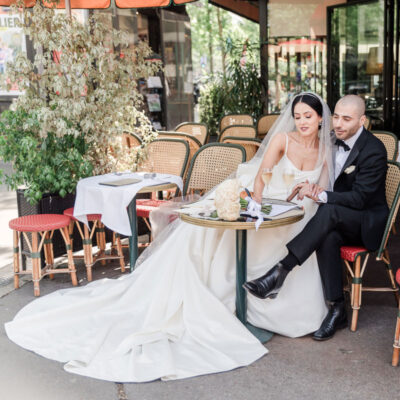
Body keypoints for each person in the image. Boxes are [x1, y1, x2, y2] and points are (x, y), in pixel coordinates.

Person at [5, 92, 334, 383]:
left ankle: (272, 297)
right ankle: (239, 297)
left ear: (320, 118)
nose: (302, 122)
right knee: (218, 236)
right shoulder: (283, 140)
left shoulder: (324, 149)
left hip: (299, 208)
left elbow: (322, 187)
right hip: (269, 199)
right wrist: (258, 206)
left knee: (300, 240)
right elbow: (263, 176)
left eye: (308, 116)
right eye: (297, 116)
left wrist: (313, 193)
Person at [244, 94, 389, 341]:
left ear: (362, 120)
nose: (339, 124)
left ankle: (280, 272)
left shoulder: (374, 149)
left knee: (328, 210)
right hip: (337, 218)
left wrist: (321, 195)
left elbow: (359, 199)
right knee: (327, 234)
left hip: (364, 221)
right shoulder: (330, 140)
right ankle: (336, 308)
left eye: (347, 119)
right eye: (336, 117)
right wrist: (312, 189)